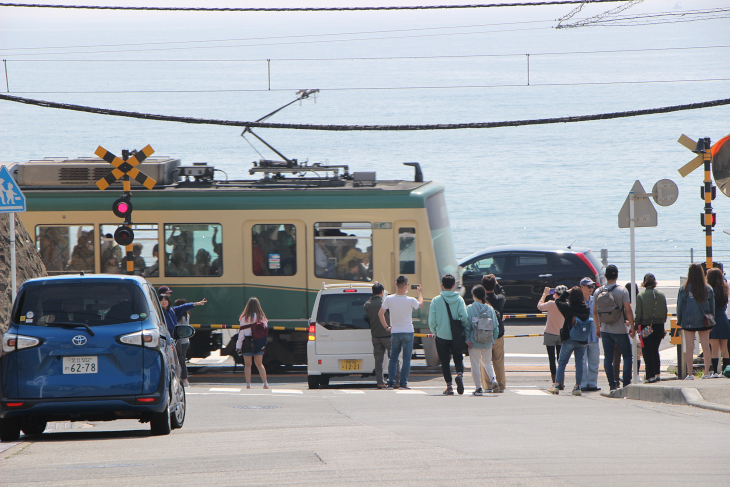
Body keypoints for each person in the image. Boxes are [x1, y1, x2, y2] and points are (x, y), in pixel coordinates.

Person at [594, 264, 635, 391]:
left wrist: (597, 327)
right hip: (620, 330)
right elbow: (628, 310)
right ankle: (626, 383)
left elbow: (595, 312)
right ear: (617, 276)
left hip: (605, 330)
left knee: (608, 358)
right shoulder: (622, 291)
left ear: (605, 276)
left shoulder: (598, 291)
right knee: (627, 356)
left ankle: (612, 384)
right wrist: (632, 326)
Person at [379, 275, 423, 390]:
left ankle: (390, 383)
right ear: (406, 285)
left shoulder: (389, 299)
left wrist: (386, 327)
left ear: (396, 285)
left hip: (395, 332)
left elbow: (380, 313)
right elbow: (421, 304)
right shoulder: (411, 300)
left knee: (393, 358)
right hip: (408, 332)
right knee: (407, 358)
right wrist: (419, 292)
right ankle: (403, 383)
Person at [429, 274, 469, 395]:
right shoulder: (459, 299)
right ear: (453, 285)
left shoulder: (436, 300)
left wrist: (435, 332)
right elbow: (465, 317)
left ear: (442, 285)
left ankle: (449, 386)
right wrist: (462, 329)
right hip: (456, 336)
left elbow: (432, 321)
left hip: (441, 335)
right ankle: (460, 375)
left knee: (445, 361)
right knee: (458, 357)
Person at [548, 287, 592, 395]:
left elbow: (558, 301)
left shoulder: (568, 307)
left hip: (569, 338)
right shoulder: (586, 308)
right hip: (582, 339)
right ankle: (577, 387)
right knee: (579, 363)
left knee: (562, 362)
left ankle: (557, 384)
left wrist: (567, 292)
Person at [677, 264, 715, 379]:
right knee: (706, 347)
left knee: (689, 347)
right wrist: (712, 320)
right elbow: (712, 306)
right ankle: (706, 372)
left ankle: (690, 374)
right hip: (704, 321)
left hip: (688, 321)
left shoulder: (684, 288)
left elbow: (680, 306)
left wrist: (680, 320)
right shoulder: (707, 288)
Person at [363, 282, 399, 388]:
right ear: (382, 292)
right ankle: (396, 381)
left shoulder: (367, 305)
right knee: (394, 358)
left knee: (378, 360)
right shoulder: (385, 303)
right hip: (387, 335)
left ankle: (380, 382)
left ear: (373, 292)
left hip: (375, 336)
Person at [634, 273, 668, 383]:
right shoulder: (661, 295)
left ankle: (650, 375)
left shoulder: (641, 296)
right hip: (659, 326)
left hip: (646, 326)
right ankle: (658, 374)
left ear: (644, 282)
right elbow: (665, 312)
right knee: (655, 350)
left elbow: (639, 314)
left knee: (647, 351)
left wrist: (635, 326)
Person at [466, 285, 500, 395]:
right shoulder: (490, 308)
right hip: (487, 341)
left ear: (474, 295)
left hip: (474, 341)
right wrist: (493, 340)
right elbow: (495, 326)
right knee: (487, 362)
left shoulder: (470, 308)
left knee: (475, 364)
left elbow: (467, 326)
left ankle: (478, 388)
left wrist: (467, 339)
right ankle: (493, 380)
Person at [235, 297, 270, 389]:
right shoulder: (261, 317)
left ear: (248, 306)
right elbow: (265, 329)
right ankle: (265, 383)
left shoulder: (243, 318)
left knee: (247, 365)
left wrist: (238, 346)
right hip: (258, 342)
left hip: (247, 342)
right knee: (259, 364)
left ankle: (248, 384)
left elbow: (241, 334)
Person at [537, 285, 567, 385]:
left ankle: (554, 381)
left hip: (550, 333)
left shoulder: (551, 304)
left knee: (551, 358)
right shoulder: (567, 305)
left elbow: (540, 306)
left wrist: (544, 294)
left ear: (556, 294)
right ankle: (561, 381)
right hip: (562, 334)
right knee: (561, 359)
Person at [482, 274, 507, 393]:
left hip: (484, 335)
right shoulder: (500, 299)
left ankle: (487, 385)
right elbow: (503, 292)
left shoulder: (481, 300)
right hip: (498, 333)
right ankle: (501, 385)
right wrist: (497, 283)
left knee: (485, 360)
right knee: (499, 361)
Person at [707, 268, 730, 377]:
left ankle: (716, 371)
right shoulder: (724, 289)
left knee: (714, 349)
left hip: (713, 320)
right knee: (724, 348)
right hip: (723, 319)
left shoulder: (710, 290)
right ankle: (725, 371)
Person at [579, 278, 601, 392]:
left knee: (594, 361)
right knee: (582, 361)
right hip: (581, 335)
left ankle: (592, 383)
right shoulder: (577, 301)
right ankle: (582, 383)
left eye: (592, 286)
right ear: (582, 287)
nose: (591, 289)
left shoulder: (595, 300)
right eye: (588, 286)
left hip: (594, 335)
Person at [174, 298, 195, 387]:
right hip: (185, 341)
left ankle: (184, 379)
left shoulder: (180, 317)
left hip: (180, 341)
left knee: (180, 361)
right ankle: (183, 379)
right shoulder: (186, 315)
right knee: (182, 360)